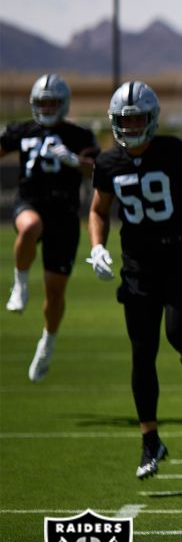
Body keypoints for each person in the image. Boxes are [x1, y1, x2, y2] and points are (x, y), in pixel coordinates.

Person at [88, 81, 182, 478]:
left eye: (137, 119)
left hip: (178, 260)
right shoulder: (108, 163)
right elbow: (98, 210)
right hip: (137, 268)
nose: (131, 127)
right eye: (124, 120)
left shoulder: (176, 152)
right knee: (142, 352)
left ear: (152, 119)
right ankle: (150, 440)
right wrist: (98, 246)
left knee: (179, 332)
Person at [1, 74, 98, 381]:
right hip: (30, 203)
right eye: (42, 102)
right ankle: (20, 284)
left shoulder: (79, 135)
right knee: (30, 227)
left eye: (52, 102)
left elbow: (97, 169)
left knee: (55, 294)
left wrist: (72, 160)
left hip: (65, 216)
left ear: (64, 103)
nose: (46, 107)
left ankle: (47, 343)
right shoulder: (23, 130)